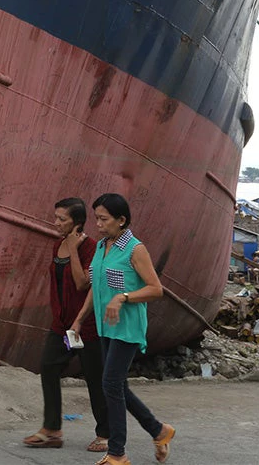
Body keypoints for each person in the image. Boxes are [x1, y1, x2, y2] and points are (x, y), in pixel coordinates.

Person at [71, 193, 175, 465]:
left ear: (121, 220)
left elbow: (156, 289)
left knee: (110, 384)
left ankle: (117, 453)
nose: (98, 224)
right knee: (116, 386)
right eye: (97, 219)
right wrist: (80, 319)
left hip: (127, 327)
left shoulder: (135, 249)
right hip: (106, 327)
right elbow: (96, 287)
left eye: (104, 219)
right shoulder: (101, 247)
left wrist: (123, 297)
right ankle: (159, 430)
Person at [23, 198, 109, 452]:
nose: (56, 223)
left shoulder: (93, 248)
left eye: (62, 219)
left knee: (95, 378)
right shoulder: (56, 245)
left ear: (77, 223)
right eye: (56, 218)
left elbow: (83, 283)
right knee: (48, 367)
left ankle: (105, 434)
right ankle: (52, 430)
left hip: (88, 324)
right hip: (62, 324)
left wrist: (73, 248)